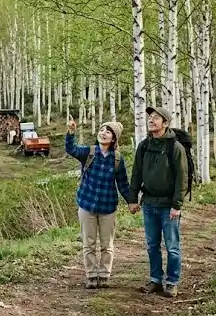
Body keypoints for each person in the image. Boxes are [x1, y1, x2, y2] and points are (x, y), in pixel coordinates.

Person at [65, 118, 136, 289]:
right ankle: (91, 275)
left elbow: (123, 184)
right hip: (86, 205)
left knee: (107, 244)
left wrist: (131, 202)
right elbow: (71, 149)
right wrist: (71, 133)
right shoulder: (89, 152)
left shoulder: (118, 159)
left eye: (108, 132)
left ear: (114, 139)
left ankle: (104, 275)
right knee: (88, 243)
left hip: (108, 207)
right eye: (102, 129)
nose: (103, 133)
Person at [128, 106, 188, 298]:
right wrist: (132, 199)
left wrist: (177, 205)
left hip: (168, 206)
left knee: (172, 246)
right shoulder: (144, 146)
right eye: (150, 117)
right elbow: (136, 173)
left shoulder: (175, 147)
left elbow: (182, 178)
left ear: (166, 123)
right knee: (152, 244)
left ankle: (171, 282)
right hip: (149, 204)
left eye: (156, 117)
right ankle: (155, 280)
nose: (151, 120)